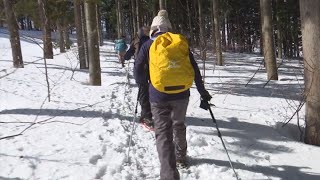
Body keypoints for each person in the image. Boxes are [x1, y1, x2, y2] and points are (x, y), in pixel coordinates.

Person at [134, 10, 212, 180]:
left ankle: (169, 175)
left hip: (158, 96)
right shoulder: (179, 43)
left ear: (153, 29)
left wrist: (144, 84)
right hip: (182, 95)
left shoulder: (148, 45)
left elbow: (138, 72)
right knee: (178, 124)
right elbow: (194, 68)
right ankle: (181, 157)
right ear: (169, 28)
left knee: (163, 133)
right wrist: (202, 91)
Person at [124, 26, 154, 130]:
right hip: (153, 69)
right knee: (151, 92)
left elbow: (128, 55)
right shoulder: (153, 41)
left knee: (143, 93)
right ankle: (148, 115)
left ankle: (146, 117)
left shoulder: (136, 41)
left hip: (140, 69)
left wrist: (126, 56)